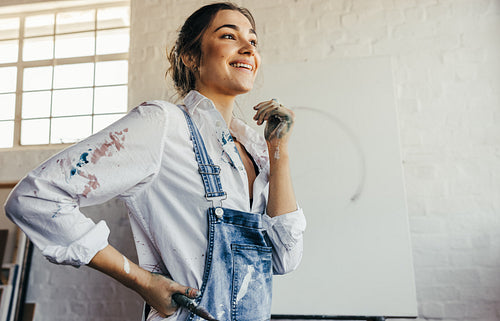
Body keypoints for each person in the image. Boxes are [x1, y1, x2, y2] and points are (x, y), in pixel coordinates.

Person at [5, 2, 306, 320]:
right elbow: (33, 198)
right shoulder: (164, 124)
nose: (248, 48)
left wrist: (279, 153)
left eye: (253, 41)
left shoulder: (257, 150)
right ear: (191, 57)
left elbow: (284, 258)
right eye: (229, 36)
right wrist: (141, 281)